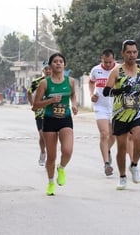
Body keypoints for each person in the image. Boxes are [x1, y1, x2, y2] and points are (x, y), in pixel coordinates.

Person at [103, 40, 140, 190]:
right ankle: (122, 176)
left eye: (134, 52)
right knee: (122, 147)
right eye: (129, 52)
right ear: (123, 53)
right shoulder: (116, 71)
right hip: (120, 114)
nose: (132, 55)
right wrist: (120, 90)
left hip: (137, 112)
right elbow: (106, 91)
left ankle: (134, 165)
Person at [32, 53, 78, 196]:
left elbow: (73, 95)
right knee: (51, 157)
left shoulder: (70, 81)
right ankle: (51, 182)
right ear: (50, 65)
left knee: (68, 150)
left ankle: (62, 168)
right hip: (50, 119)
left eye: (61, 61)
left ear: (64, 64)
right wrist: (50, 101)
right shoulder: (45, 83)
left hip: (65, 118)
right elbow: (35, 106)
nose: (58, 64)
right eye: (55, 62)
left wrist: (74, 105)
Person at [89, 48, 117, 176]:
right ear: (102, 59)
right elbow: (91, 82)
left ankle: (107, 150)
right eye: (105, 62)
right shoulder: (95, 70)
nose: (107, 65)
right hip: (100, 106)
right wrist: (91, 94)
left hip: (116, 106)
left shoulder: (119, 69)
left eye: (110, 62)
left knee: (113, 136)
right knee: (104, 134)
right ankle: (106, 164)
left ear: (114, 59)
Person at [28, 61, 52, 166]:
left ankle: (51, 156)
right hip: (40, 112)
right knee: (42, 135)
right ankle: (43, 152)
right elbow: (29, 92)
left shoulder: (57, 81)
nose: (48, 71)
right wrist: (32, 104)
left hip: (53, 112)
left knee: (51, 135)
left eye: (50, 69)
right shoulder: (37, 82)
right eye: (46, 69)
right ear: (43, 71)